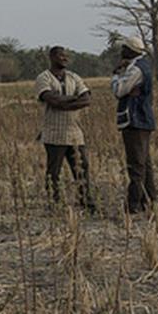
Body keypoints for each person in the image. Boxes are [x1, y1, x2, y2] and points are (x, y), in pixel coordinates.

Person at [34, 46, 95, 211]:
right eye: (61, 56)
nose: (65, 58)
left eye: (66, 56)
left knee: (82, 169)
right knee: (54, 172)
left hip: (75, 132)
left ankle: (87, 203)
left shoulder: (74, 77)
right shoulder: (43, 78)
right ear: (52, 57)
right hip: (54, 132)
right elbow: (52, 100)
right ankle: (55, 204)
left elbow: (87, 99)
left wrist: (66, 102)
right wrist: (75, 100)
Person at [111, 36, 156, 214]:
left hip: (135, 121)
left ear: (131, 50)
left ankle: (133, 204)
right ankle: (149, 199)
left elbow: (118, 91)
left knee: (136, 165)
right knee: (145, 162)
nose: (122, 51)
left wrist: (116, 75)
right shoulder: (142, 66)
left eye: (124, 48)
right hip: (143, 119)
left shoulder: (136, 69)